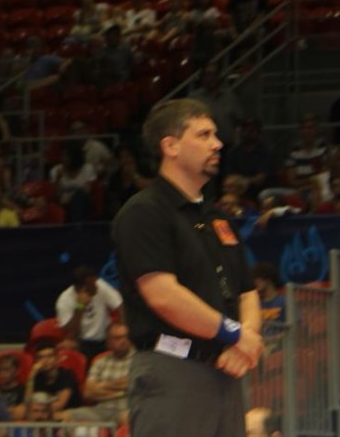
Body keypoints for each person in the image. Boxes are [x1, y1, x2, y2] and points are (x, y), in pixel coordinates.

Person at [111, 98, 263, 437]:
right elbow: (162, 295)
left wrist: (247, 339)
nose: (217, 144)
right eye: (204, 135)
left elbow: (246, 291)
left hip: (225, 372)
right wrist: (234, 334)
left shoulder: (218, 217)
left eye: (216, 135)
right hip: (173, 370)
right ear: (171, 146)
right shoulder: (144, 212)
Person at [60, 322, 135, 426]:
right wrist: (121, 390)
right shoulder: (100, 362)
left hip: (127, 409)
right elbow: (88, 393)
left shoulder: (139, 360)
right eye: (117, 338)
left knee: (128, 418)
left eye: (125, 337)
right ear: (108, 342)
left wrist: (102, 386)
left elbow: (132, 384)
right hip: (101, 410)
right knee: (64, 416)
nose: (123, 341)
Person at [55, 266, 123, 358]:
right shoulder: (64, 300)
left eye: (96, 282)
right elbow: (71, 333)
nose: (97, 286)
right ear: (81, 288)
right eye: (92, 285)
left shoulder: (100, 285)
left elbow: (120, 306)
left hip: (106, 338)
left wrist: (121, 327)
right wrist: (80, 307)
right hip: (82, 343)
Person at [24, 341, 80, 413]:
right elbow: (27, 403)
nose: (45, 360)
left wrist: (38, 410)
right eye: (41, 357)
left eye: (49, 356)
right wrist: (32, 375)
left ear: (57, 359)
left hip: (68, 413)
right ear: (36, 361)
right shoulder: (37, 377)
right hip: (44, 414)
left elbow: (60, 405)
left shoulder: (67, 375)